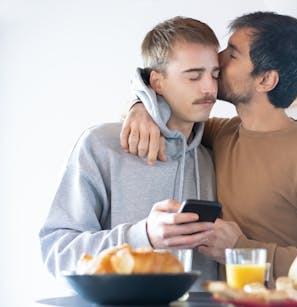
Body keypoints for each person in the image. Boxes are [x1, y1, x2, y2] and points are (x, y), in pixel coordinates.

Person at [121, 11, 297, 285]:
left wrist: (242, 249)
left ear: (265, 80)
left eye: (233, 53)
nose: (218, 58)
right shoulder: (220, 134)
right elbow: (171, 107)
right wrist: (140, 106)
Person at [39, 17, 221, 289]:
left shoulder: (211, 157)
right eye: (194, 76)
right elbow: (57, 252)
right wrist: (142, 236)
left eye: (215, 75)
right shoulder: (101, 145)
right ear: (157, 82)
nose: (209, 88)